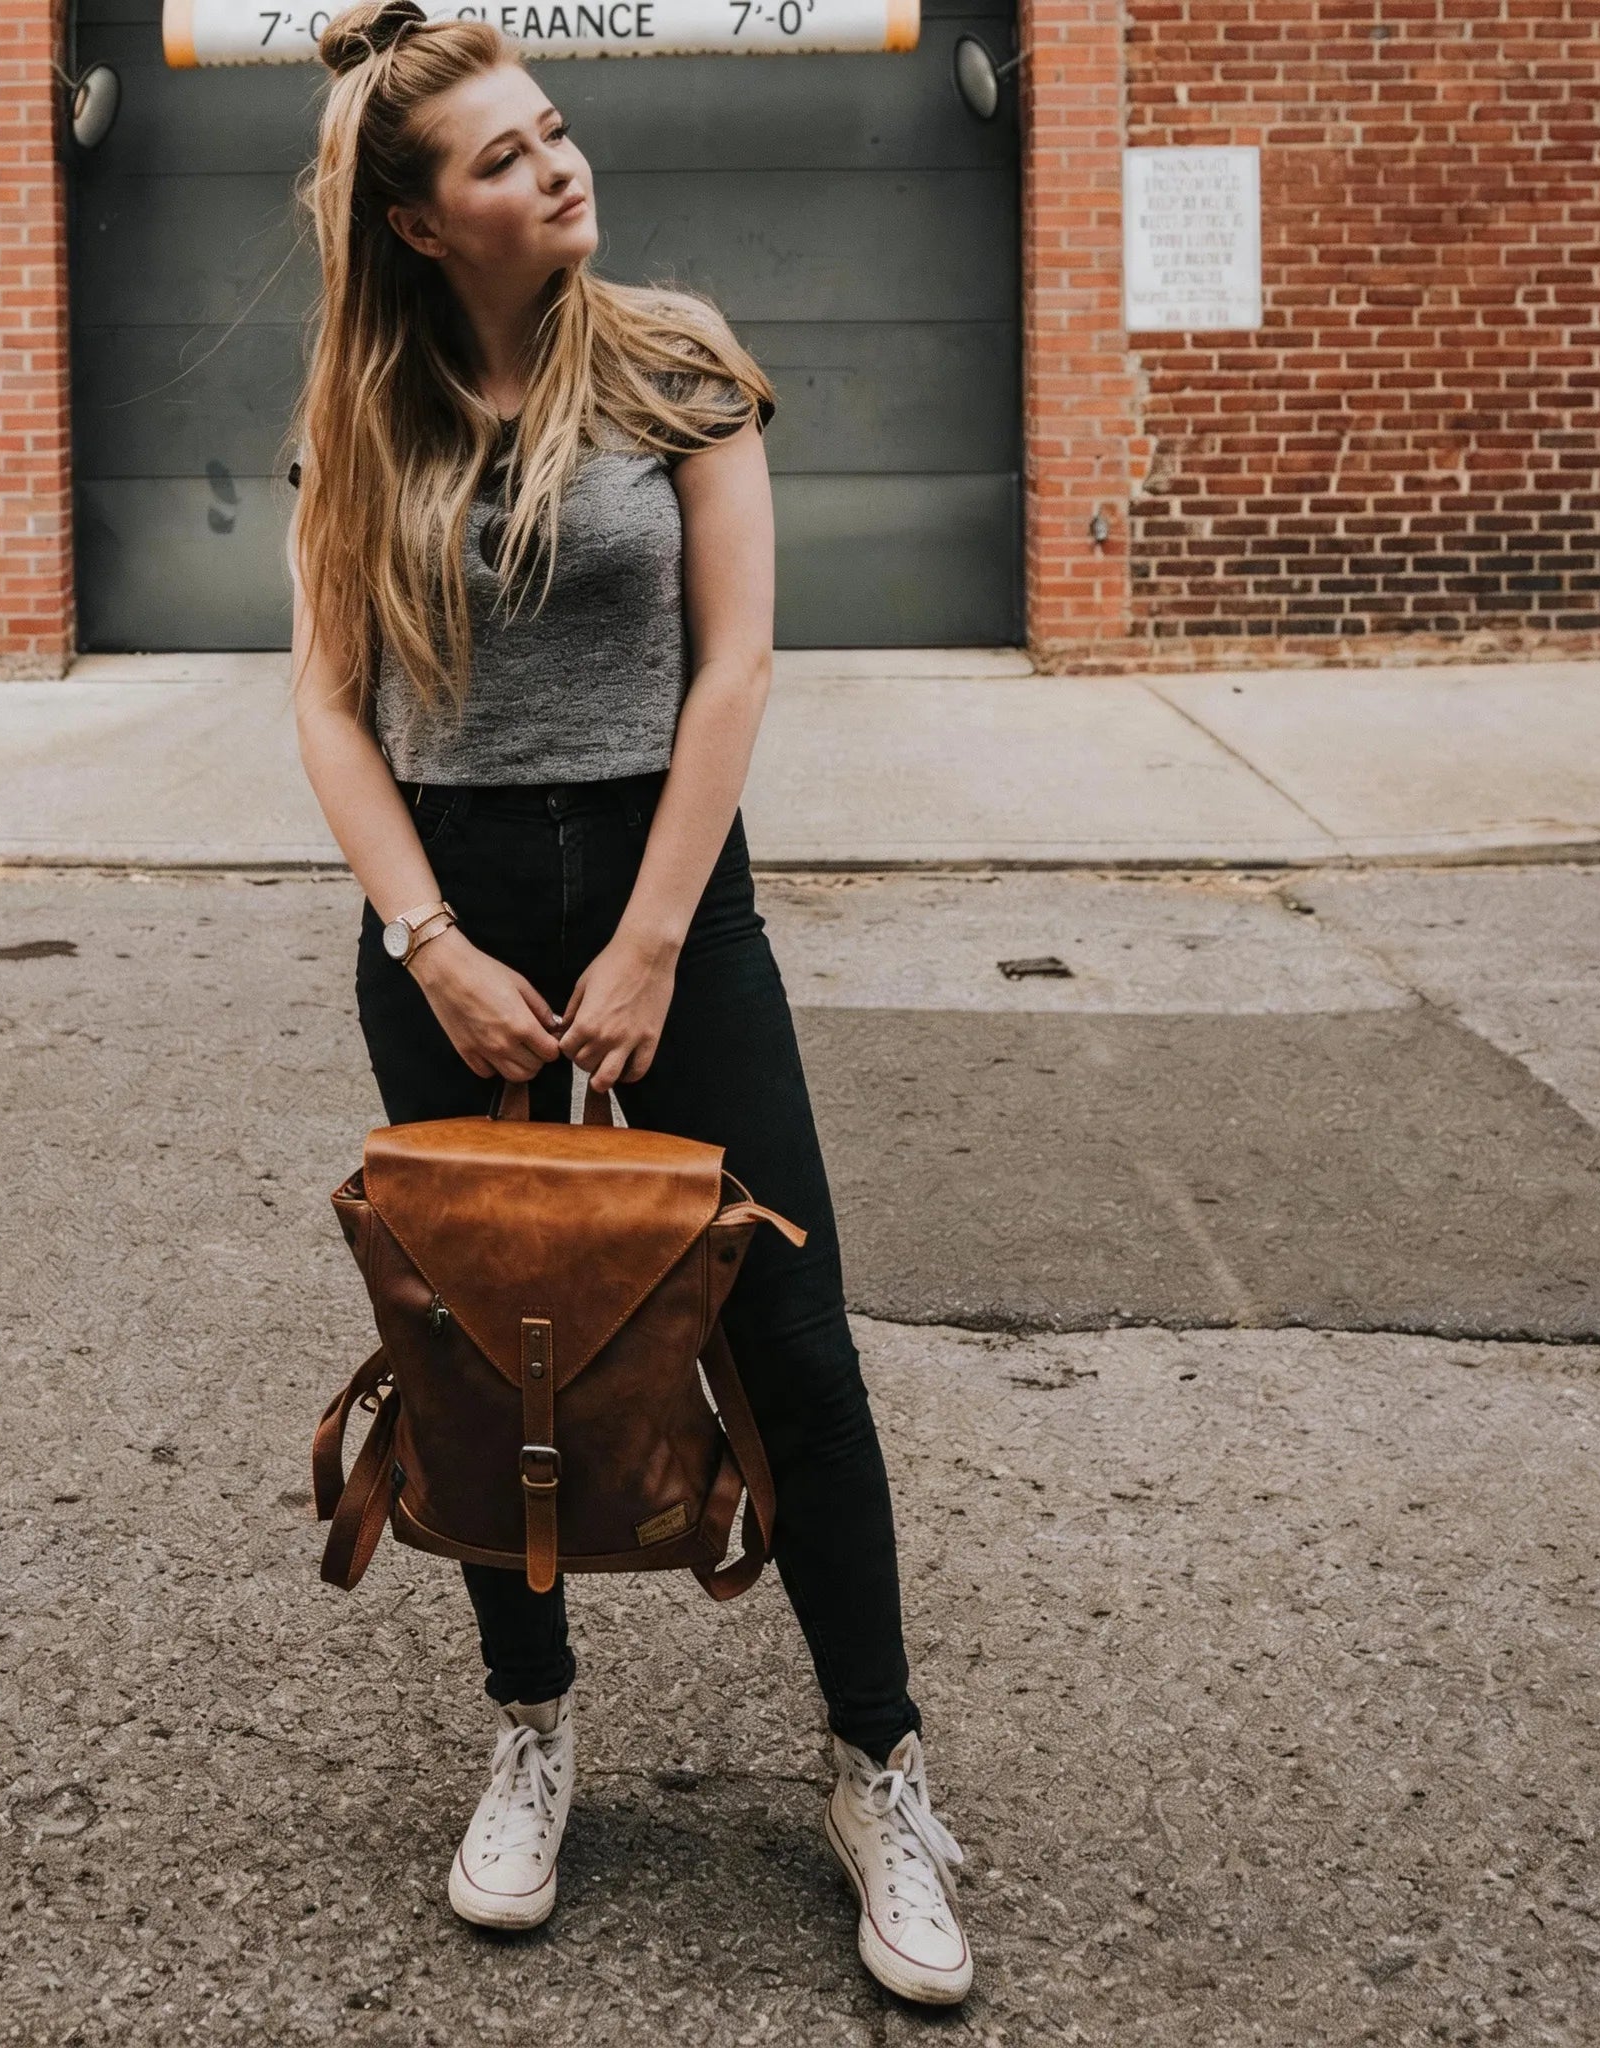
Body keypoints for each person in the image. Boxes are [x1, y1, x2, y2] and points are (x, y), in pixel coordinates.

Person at [284, 0, 971, 2005]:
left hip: (675, 896)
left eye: (553, 130)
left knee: (789, 1335)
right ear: (420, 225)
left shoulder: (672, 358)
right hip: (450, 908)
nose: (557, 166)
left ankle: (879, 1765)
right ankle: (531, 1725)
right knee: (489, 1351)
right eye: (502, 158)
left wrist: (658, 935)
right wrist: (431, 940)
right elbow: (330, 707)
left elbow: (736, 664)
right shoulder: (369, 411)